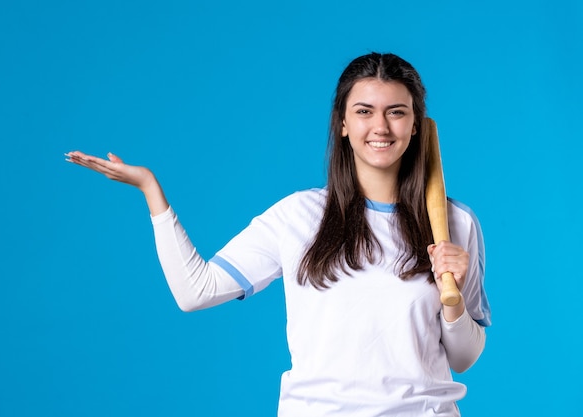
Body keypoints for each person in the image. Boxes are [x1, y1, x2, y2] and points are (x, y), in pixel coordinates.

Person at [66, 52, 491, 416]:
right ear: (342, 123)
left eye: (396, 111)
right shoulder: (299, 216)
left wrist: (451, 303)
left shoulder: (456, 224)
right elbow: (195, 291)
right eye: (364, 111)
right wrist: (150, 190)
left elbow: (464, 357)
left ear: (416, 125)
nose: (380, 126)